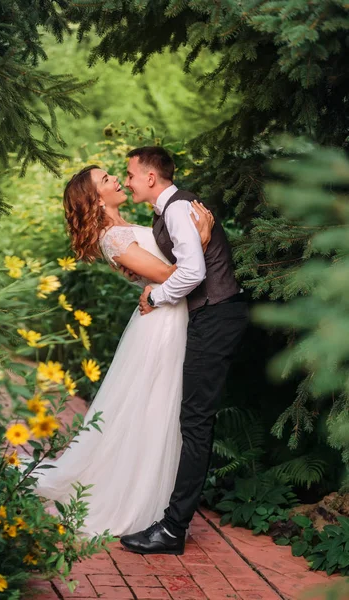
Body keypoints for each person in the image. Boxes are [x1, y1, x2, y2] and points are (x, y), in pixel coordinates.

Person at [32, 164, 214, 537]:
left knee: (158, 405)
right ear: (97, 199)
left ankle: (155, 494)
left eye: (113, 175)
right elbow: (169, 275)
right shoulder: (111, 237)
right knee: (152, 405)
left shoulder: (125, 224)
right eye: (106, 180)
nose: (116, 179)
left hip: (169, 313)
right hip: (160, 321)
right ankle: (135, 497)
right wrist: (204, 238)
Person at [119, 147, 248, 556]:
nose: (127, 181)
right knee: (194, 419)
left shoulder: (176, 209)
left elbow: (193, 272)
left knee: (195, 421)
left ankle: (174, 529)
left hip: (217, 314)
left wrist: (155, 297)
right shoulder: (170, 210)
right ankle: (173, 522)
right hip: (213, 314)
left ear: (151, 178)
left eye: (131, 174)